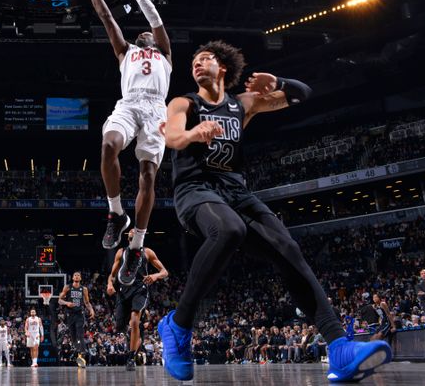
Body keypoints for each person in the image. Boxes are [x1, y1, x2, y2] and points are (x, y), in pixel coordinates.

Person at [156, 41, 392, 382]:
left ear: (222, 68)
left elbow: (302, 93)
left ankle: (339, 348)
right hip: (196, 190)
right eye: (194, 60)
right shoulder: (184, 102)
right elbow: (173, 137)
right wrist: (194, 133)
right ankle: (178, 325)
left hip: (236, 191)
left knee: (288, 250)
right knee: (230, 230)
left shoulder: (243, 104)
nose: (197, 63)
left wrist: (278, 82)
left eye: (205, 58)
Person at [75, 0, 172, 286]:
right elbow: (105, 16)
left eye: (148, 33)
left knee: (148, 177)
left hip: (157, 111)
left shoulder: (165, 53)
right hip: (129, 105)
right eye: (142, 33)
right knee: (107, 146)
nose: (145, 32)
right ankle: (116, 212)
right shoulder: (125, 51)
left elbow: (155, 19)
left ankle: (136, 245)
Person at [106, 229, 168, 370]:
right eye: (130, 232)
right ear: (128, 238)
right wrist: (110, 284)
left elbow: (165, 271)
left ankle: (131, 357)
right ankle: (135, 343)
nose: (132, 231)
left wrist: (155, 276)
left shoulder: (147, 252)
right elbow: (112, 275)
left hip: (140, 289)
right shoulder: (121, 252)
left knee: (135, 321)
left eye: (135, 231)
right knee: (121, 327)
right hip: (123, 291)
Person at [58, 272, 95, 368]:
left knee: (80, 334)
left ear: (81, 278)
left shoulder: (84, 289)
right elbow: (59, 300)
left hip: (79, 314)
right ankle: (80, 351)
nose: (77, 276)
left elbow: (87, 302)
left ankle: (82, 354)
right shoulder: (67, 287)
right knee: (73, 337)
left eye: (78, 275)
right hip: (70, 314)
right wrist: (67, 303)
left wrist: (91, 309)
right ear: (73, 277)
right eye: (75, 275)